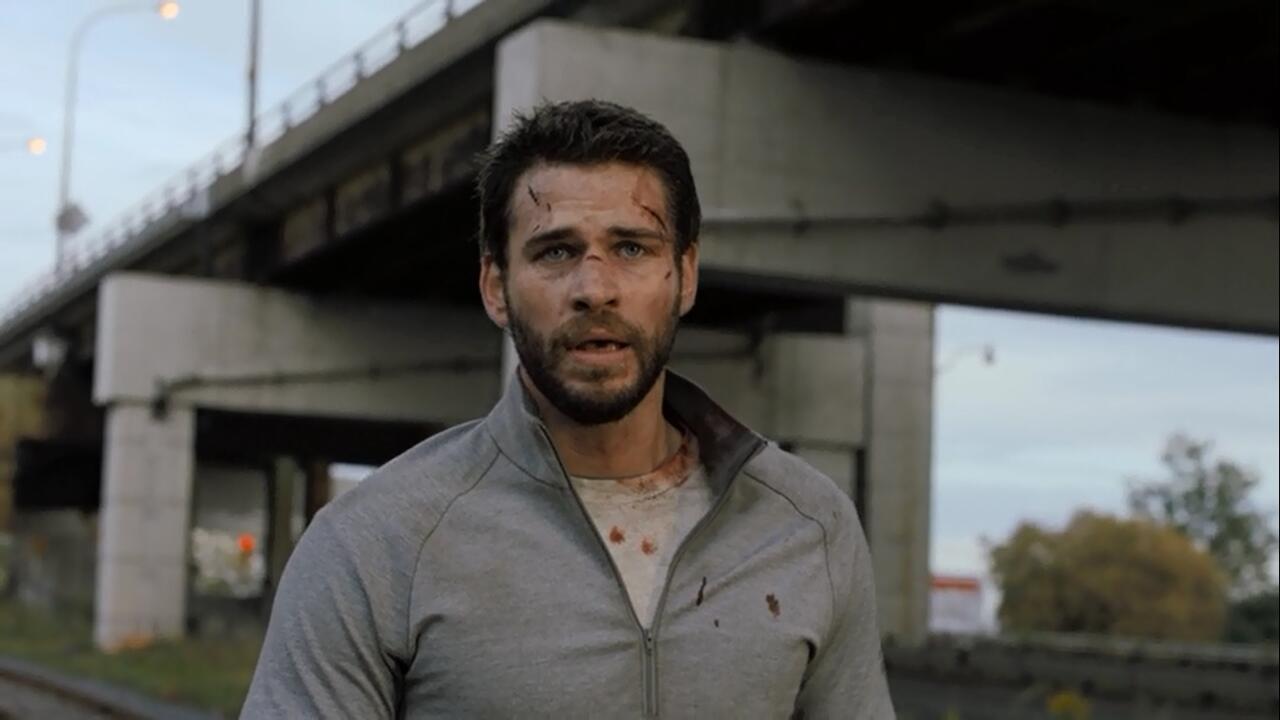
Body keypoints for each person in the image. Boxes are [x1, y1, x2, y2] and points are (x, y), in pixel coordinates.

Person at [241, 99, 895, 719]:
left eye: (632, 248)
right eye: (556, 251)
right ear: (496, 287)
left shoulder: (807, 524)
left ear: (686, 275)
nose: (595, 289)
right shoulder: (375, 542)